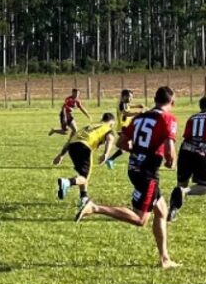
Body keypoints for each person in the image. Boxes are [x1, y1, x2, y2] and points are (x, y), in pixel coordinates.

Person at [75, 86, 180, 269]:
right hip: (147, 172)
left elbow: (121, 142)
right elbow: (170, 151)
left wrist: (138, 151)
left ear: (155, 99)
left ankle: (165, 259)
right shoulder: (168, 118)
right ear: (172, 102)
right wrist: (171, 161)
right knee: (140, 219)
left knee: (161, 211)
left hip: (134, 166)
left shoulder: (140, 118)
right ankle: (94, 207)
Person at [167, 96, 206, 222]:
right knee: (205, 187)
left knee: (181, 182)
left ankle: (172, 211)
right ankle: (185, 191)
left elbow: (187, 135)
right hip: (201, 151)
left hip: (185, 149)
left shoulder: (192, 118)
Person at [54, 113, 116, 206]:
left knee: (82, 175)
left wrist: (61, 155)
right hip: (84, 147)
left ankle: (83, 198)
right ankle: (67, 182)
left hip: (72, 146)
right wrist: (106, 154)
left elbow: (71, 139)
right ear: (111, 123)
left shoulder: (90, 126)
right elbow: (110, 138)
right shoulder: (108, 128)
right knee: (84, 178)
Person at [104, 89, 145, 169]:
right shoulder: (121, 104)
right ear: (124, 96)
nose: (131, 99)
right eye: (129, 97)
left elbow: (128, 107)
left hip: (125, 128)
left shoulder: (125, 103)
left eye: (132, 97)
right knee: (130, 146)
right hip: (123, 128)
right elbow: (126, 113)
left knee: (126, 147)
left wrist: (137, 106)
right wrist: (137, 113)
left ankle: (111, 159)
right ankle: (137, 161)